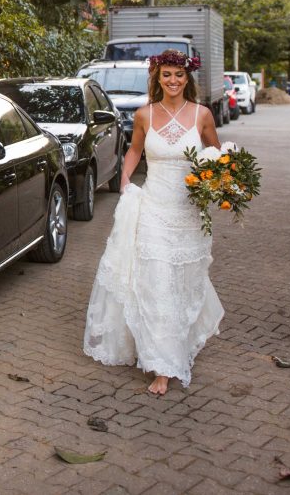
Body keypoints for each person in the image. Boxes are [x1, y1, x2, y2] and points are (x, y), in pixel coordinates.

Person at [84, 50, 224, 396]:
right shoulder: (145, 114)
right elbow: (134, 150)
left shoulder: (202, 115)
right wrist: (125, 178)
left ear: (187, 78)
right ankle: (162, 366)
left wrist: (220, 184)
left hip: (190, 213)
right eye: (167, 75)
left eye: (179, 75)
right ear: (157, 78)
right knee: (157, 282)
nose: (173, 81)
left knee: (185, 282)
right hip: (153, 209)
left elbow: (218, 157)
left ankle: (182, 338)